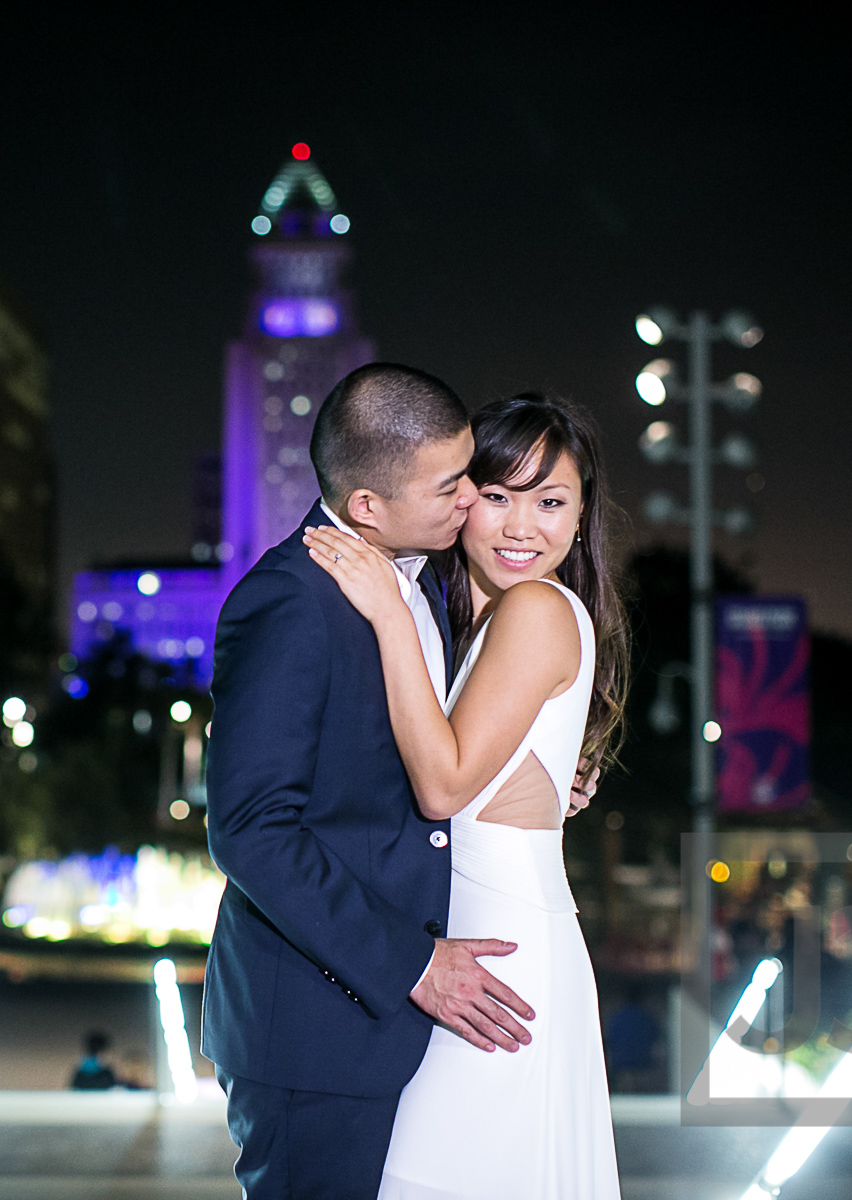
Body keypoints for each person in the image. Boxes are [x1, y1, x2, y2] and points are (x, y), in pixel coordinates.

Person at [204, 366, 595, 1200]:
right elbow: (250, 831)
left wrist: (545, 773)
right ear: (367, 508)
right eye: (459, 487)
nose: (472, 505)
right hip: (319, 1019)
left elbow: (443, 753)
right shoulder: (294, 601)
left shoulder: (434, 590)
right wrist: (410, 963)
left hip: (424, 1005)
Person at [304, 392, 628, 1199]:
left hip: (497, 959)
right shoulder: (474, 624)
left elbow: (443, 784)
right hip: (466, 951)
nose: (523, 527)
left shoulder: (536, 609)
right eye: (497, 495)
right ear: (459, 499)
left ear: (583, 517)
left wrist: (383, 613)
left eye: (551, 502)